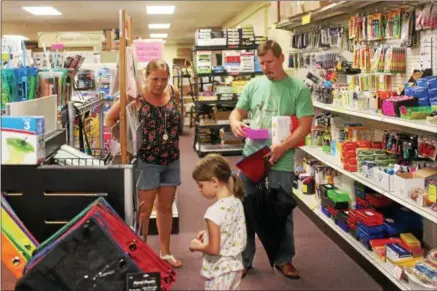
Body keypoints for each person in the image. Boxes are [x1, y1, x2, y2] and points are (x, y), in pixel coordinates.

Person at [229, 40, 314, 279]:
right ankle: (245, 259)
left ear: (282, 58)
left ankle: (284, 259)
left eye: (270, 62)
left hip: (282, 159)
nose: (265, 67)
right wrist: (235, 122)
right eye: (262, 62)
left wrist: (283, 146)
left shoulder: (298, 88)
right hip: (251, 157)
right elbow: (238, 111)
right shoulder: (254, 84)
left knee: (281, 212)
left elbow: (305, 126)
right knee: (246, 211)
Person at [105, 59, 182, 268]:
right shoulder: (135, 96)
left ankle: (165, 252)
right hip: (147, 161)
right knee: (144, 211)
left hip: (171, 159)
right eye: (155, 79)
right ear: (146, 77)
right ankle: (141, 256)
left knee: (166, 207)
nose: (159, 84)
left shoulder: (173, 92)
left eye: (164, 79)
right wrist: (126, 144)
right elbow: (110, 120)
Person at [189, 154, 247, 290]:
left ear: (214, 181)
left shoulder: (213, 212)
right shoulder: (237, 202)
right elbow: (231, 228)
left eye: (201, 185)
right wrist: (208, 233)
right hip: (235, 269)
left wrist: (197, 246)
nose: (199, 190)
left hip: (218, 272)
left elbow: (214, 249)